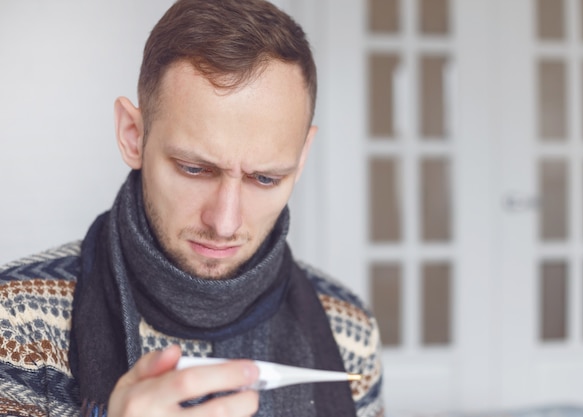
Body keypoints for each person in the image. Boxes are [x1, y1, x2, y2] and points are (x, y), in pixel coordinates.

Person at [0, 0, 384, 416]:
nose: (224, 223)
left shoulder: (348, 331)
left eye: (265, 178)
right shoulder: (17, 317)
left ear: (302, 155)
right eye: (195, 169)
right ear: (133, 136)